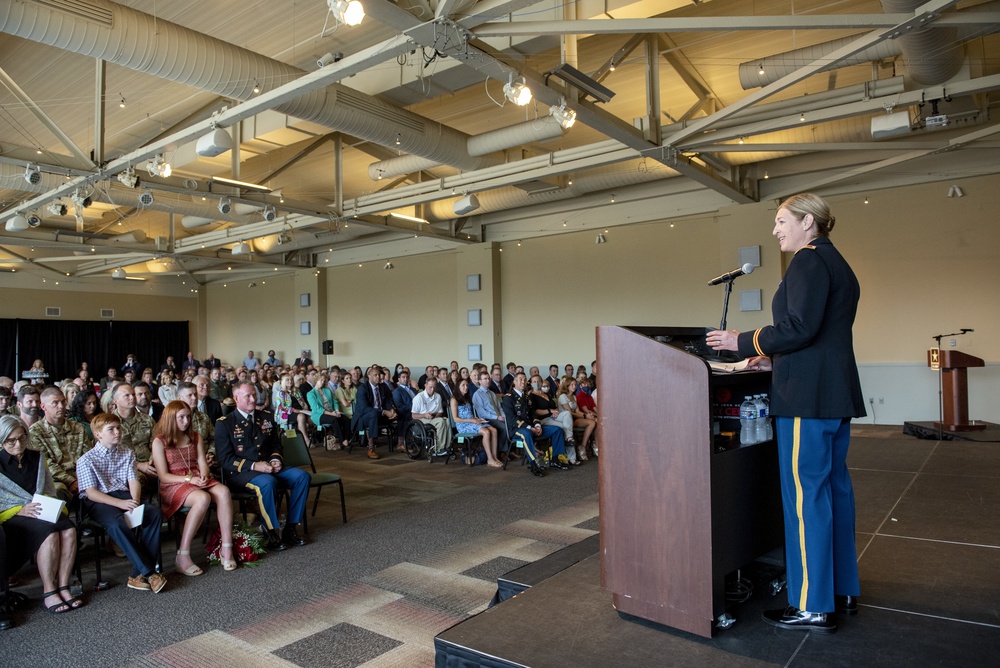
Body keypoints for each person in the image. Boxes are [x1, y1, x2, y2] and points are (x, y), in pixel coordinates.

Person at [707, 193, 865, 634]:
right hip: (831, 394)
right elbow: (820, 336)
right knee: (834, 494)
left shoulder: (808, 261)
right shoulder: (838, 264)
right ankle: (841, 589)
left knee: (804, 500)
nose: (775, 230)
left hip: (806, 400)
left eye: (781, 221)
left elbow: (798, 327)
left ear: (808, 222)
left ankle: (812, 603)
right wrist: (775, 361)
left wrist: (743, 342)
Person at [76, 413, 166, 593]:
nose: (118, 432)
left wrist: (135, 502)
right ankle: (149, 572)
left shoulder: (127, 453)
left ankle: (137, 574)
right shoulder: (86, 460)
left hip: (123, 495)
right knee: (117, 522)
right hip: (100, 501)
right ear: (98, 434)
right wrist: (120, 504)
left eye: (119, 428)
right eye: (111, 429)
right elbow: (91, 493)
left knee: (153, 513)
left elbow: (133, 480)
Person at [0, 415, 81, 614]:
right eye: (11, 440)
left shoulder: (37, 456)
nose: (18, 444)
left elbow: (47, 489)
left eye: (22, 438)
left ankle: (63, 585)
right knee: (50, 532)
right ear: (2, 440)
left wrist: (49, 506)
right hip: (12, 515)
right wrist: (19, 510)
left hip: (40, 508)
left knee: (69, 529)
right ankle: (49, 590)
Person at [215, 382, 309, 551]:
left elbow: (276, 445)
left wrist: (275, 459)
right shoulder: (225, 423)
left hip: (269, 467)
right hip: (242, 473)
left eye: (254, 395)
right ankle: (270, 530)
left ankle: (291, 527)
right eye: (248, 396)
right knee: (267, 483)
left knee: (302, 477)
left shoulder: (266, 416)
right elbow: (225, 459)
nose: (253, 399)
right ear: (236, 398)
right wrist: (254, 465)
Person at [152, 401, 236, 575]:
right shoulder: (160, 441)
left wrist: (204, 474)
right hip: (174, 483)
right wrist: (189, 479)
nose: (185, 421)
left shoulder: (195, 436)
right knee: (202, 498)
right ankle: (182, 555)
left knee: (224, 492)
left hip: (196, 477)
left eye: (188, 417)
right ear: (170, 418)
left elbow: (202, 463)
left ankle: (226, 547)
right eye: (180, 417)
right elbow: (163, 476)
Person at [28, 387, 92, 501]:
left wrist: (82, 479)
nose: (61, 406)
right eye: (55, 403)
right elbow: (46, 463)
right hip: (56, 479)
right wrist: (71, 481)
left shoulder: (78, 427)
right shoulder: (35, 431)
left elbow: (88, 456)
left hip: (83, 475)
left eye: (63, 402)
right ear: (43, 407)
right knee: (57, 490)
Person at [502, 372, 570, 477]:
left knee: (557, 430)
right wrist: (530, 427)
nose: (523, 382)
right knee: (527, 434)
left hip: (531, 427)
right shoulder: (508, 398)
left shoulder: (527, 397)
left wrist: (537, 425)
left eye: (524, 379)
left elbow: (533, 414)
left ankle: (555, 460)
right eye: (520, 379)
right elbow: (512, 419)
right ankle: (533, 464)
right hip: (516, 429)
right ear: (514, 382)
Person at [450, 379, 501, 468]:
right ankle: (490, 459)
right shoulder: (454, 399)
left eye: (466, 385)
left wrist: (477, 419)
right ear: (458, 387)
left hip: (472, 422)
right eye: (463, 385)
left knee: (494, 430)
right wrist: (472, 420)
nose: (466, 387)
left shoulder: (466, 398)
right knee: (486, 432)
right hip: (463, 425)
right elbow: (456, 419)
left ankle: (494, 456)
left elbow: (470, 414)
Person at [351, 367, 396, 460]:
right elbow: (364, 408)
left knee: (402, 412)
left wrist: (391, 410)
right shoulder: (362, 388)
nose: (378, 377)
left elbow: (386, 401)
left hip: (379, 414)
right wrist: (384, 412)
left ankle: (400, 442)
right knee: (373, 414)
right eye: (375, 375)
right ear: (369, 376)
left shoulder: (383, 386)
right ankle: (371, 447)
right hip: (363, 416)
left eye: (379, 375)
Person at [472, 370, 510, 458]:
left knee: (510, 423)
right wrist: (497, 417)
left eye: (488, 378)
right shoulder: (477, 394)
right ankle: (502, 451)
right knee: (503, 427)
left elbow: (499, 407)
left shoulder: (492, 393)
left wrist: (503, 416)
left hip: (497, 416)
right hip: (487, 419)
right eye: (485, 379)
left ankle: (510, 450)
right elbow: (482, 413)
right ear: (480, 381)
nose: (488, 380)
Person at [558, 377, 596, 462]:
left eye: (575, 384)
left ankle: (583, 446)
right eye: (572, 384)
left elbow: (577, 411)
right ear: (567, 386)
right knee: (591, 422)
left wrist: (586, 415)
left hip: (574, 419)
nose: (574, 386)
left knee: (592, 422)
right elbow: (569, 412)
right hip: (565, 421)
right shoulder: (562, 397)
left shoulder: (574, 397)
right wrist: (585, 416)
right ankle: (582, 447)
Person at [410, 377, 451, 456]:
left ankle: (447, 446)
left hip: (433, 417)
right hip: (422, 418)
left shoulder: (438, 396)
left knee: (447, 421)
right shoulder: (419, 398)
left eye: (434, 387)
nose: (432, 389)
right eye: (430, 387)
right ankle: (438, 448)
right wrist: (425, 415)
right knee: (441, 422)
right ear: (425, 386)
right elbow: (413, 415)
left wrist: (436, 416)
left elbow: (440, 412)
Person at [306, 372, 345, 449]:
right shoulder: (310, 393)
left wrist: (336, 410)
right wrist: (332, 414)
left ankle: (346, 439)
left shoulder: (327, 390)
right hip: (318, 415)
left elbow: (335, 401)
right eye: (321, 380)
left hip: (331, 412)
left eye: (324, 380)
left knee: (345, 419)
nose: (323, 382)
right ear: (316, 381)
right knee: (334, 419)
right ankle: (342, 441)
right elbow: (317, 408)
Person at [272, 373, 312, 446]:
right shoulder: (280, 393)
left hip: (300, 411)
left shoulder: (296, 390)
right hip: (286, 414)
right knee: (301, 416)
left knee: (311, 417)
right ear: (283, 382)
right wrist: (298, 411)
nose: (290, 381)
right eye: (287, 380)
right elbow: (283, 408)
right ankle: (305, 440)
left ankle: (312, 437)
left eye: (291, 379)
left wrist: (305, 408)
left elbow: (302, 401)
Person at [391, 370, 417, 452]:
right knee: (404, 416)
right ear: (398, 379)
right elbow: (399, 406)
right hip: (405, 412)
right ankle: (400, 444)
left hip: (416, 411)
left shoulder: (413, 390)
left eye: (407, 377)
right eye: (403, 377)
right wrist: (413, 408)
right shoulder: (397, 391)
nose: (405, 379)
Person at [333, 373, 356, 447]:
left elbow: (358, 400)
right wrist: (351, 401)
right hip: (343, 411)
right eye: (347, 378)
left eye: (350, 378)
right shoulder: (340, 390)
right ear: (343, 381)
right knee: (347, 420)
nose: (349, 380)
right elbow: (345, 404)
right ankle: (345, 439)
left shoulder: (354, 388)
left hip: (353, 410)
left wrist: (350, 401)